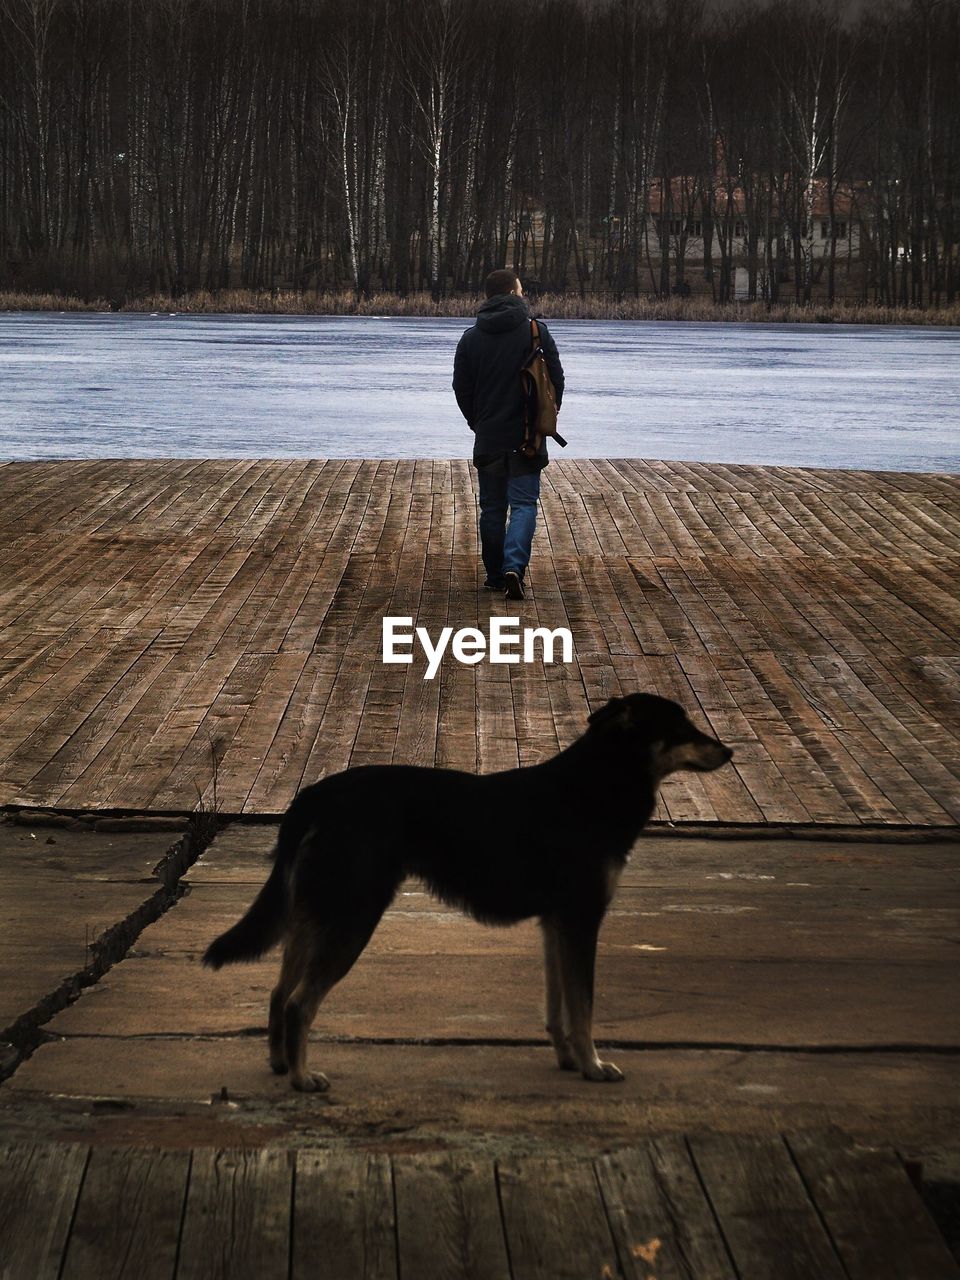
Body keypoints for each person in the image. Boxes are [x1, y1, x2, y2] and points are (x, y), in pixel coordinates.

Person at [453, 269, 564, 601]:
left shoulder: (470, 338)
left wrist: (478, 422)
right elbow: (555, 382)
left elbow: (462, 389)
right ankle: (514, 566)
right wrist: (544, 415)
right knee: (524, 504)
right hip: (527, 437)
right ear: (515, 294)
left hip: (488, 435)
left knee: (491, 507)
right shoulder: (536, 333)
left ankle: (494, 574)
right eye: (521, 289)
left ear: (488, 297)